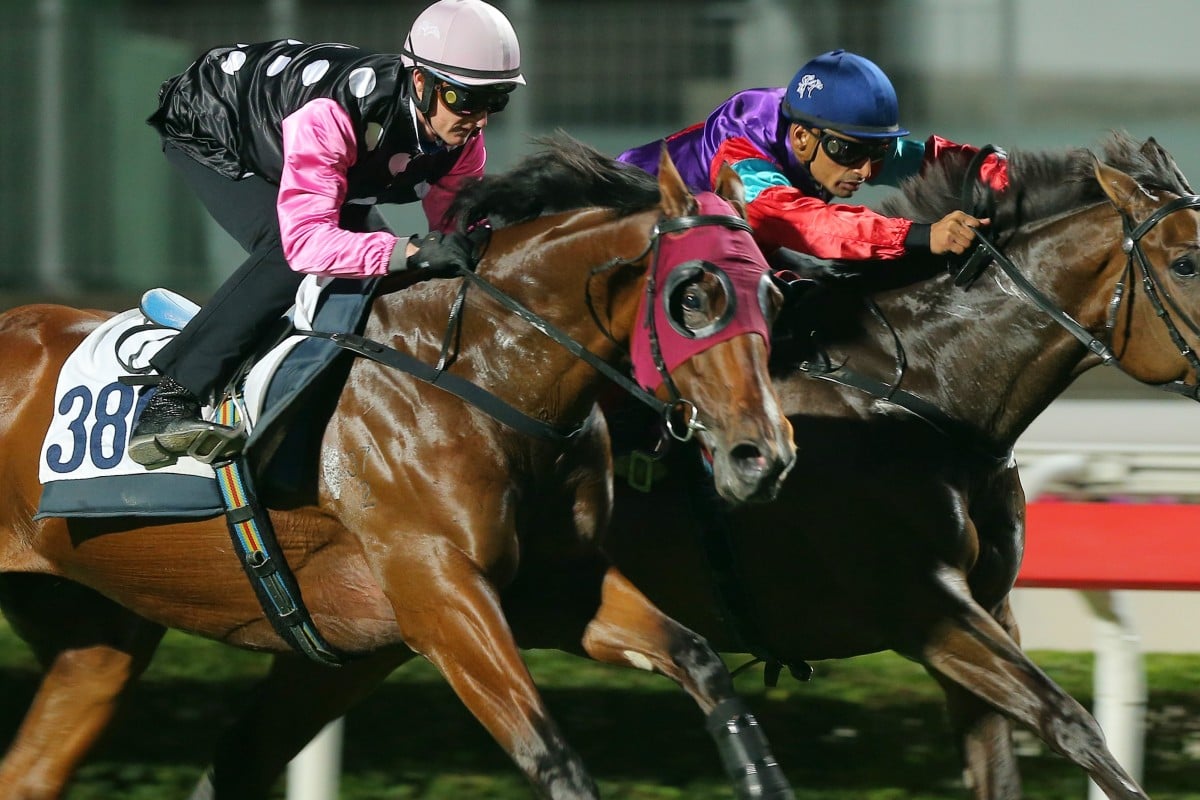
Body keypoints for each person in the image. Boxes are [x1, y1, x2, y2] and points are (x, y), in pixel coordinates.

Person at [128, 0, 525, 469]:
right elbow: (306, 245)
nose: (479, 118)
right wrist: (412, 250)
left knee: (382, 273)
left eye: (495, 100)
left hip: (301, 143)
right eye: (465, 98)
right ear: (420, 79)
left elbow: (460, 236)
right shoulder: (335, 113)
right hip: (214, 124)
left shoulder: (463, 142)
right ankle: (170, 402)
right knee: (286, 252)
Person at [617, 48, 1008, 266]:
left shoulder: (827, 133)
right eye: (851, 152)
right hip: (633, 237)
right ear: (802, 138)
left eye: (878, 151)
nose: (867, 170)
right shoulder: (741, 154)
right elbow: (804, 223)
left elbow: (933, 163)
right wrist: (921, 235)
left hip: (724, 243)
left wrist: (1016, 177)